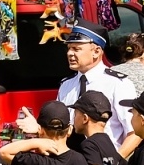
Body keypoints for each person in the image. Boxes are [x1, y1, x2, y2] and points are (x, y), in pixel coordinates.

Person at [56, 22, 139, 150]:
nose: (70, 53)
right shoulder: (66, 85)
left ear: (96, 51)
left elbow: (134, 132)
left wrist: (116, 162)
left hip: (105, 162)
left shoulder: (117, 84)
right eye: (69, 48)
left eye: (76, 49)